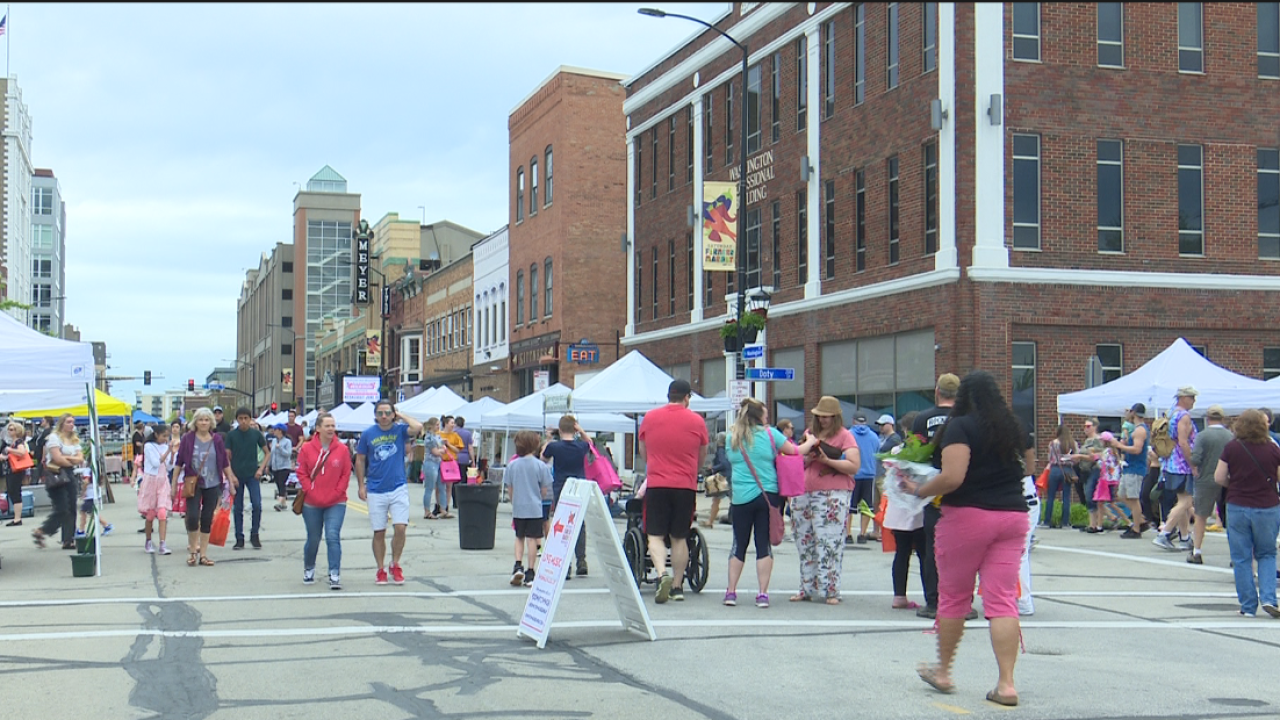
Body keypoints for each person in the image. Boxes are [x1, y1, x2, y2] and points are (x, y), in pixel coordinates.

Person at [902, 371, 1034, 706]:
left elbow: (952, 478)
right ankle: (1006, 684)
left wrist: (918, 489)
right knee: (1002, 598)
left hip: (968, 516)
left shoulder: (960, 426)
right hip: (1013, 516)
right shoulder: (1014, 427)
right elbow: (1030, 467)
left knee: (954, 598)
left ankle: (943, 671)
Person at [637, 379, 709, 604]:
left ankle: (661, 574)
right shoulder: (697, 421)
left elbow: (643, 451)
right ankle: (678, 586)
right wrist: (691, 470)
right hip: (684, 485)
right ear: (687, 397)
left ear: (669, 395)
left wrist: (657, 467)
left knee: (655, 535)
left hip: (658, 483)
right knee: (680, 537)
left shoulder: (650, 417)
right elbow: (702, 454)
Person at [724, 398, 798, 608]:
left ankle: (731, 592)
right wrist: (810, 443)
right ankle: (762, 594)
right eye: (765, 414)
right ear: (759, 417)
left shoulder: (733, 437)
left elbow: (730, 460)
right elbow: (794, 452)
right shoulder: (771, 434)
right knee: (763, 544)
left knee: (739, 543)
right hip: (768, 496)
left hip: (740, 497)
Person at [1213, 409, 1280, 617]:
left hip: (1238, 504)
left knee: (1241, 557)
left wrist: (1234, 485)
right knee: (1267, 553)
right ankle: (1269, 598)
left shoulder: (1232, 447)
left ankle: (1248, 606)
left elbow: (1218, 477)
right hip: (1267, 506)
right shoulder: (1273, 449)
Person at [790, 396, 857, 605]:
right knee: (805, 540)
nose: (823, 421)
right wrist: (808, 458)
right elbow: (795, 462)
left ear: (835, 417)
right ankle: (807, 587)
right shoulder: (810, 435)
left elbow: (854, 466)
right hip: (804, 492)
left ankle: (830, 590)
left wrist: (828, 460)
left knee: (829, 541)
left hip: (832, 493)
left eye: (827, 417)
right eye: (820, 417)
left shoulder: (845, 436)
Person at [355, 399, 423, 585]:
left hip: (398, 486)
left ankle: (395, 563)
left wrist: (399, 415)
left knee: (400, 527)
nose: (383, 417)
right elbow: (360, 460)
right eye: (380, 413)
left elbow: (417, 426)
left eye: (387, 413)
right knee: (379, 532)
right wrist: (361, 485)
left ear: (393, 414)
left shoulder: (400, 431)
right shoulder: (368, 434)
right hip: (376, 488)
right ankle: (380, 569)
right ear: (375, 415)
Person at [911, 372, 960, 619]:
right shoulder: (967, 418)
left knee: (932, 547)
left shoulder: (922, 419)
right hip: (962, 490)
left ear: (937, 392)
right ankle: (961, 602)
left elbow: (914, 454)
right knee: (962, 550)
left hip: (933, 491)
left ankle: (933, 602)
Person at [297, 412, 352, 590]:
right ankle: (309, 568)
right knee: (313, 538)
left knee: (332, 536)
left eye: (333, 425)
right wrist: (310, 490)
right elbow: (301, 472)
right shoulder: (306, 448)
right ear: (318, 428)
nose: (330, 429)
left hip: (336, 501)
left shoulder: (342, 449)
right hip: (311, 502)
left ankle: (334, 573)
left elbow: (345, 473)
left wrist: (337, 492)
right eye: (327, 426)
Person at [176, 407, 238, 567]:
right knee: (192, 516)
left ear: (211, 422)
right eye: (200, 420)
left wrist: (231, 482)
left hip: (213, 482)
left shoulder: (216, 440)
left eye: (206, 420)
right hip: (193, 483)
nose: (203, 423)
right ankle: (192, 552)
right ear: (195, 422)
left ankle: (203, 554)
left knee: (207, 517)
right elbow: (179, 462)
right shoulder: (188, 439)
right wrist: (173, 484)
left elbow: (224, 463)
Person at [541, 415, 593, 577]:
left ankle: (565, 564)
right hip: (579, 486)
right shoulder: (581, 446)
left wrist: (548, 439)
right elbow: (590, 443)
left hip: (561, 486)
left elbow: (543, 458)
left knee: (561, 524)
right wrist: (581, 430)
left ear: (560, 429)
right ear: (574, 428)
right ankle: (581, 560)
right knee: (579, 523)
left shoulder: (554, 447)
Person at [1184, 404, 1233, 563]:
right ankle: (1235, 555)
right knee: (1230, 519)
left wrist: (1193, 463)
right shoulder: (1230, 436)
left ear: (1208, 418)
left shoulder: (1203, 436)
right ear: (1222, 418)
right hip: (1227, 479)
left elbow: (1196, 458)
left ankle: (1197, 551)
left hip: (1205, 478)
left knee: (1201, 516)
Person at [505, 430, 554, 587]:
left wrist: (514, 501)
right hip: (535, 507)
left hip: (519, 506)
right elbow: (545, 489)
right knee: (532, 539)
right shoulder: (541, 466)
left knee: (519, 536)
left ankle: (517, 565)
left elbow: (510, 488)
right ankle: (530, 571)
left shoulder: (512, 465)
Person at [1153, 387, 1199, 551]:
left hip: (1169, 462)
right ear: (1183, 398)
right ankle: (1164, 533)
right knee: (1186, 501)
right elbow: (1183, 442)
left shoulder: (1170, 413)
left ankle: (1185, 537)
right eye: (1192, 397)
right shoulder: (1183, 416)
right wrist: (1192, 464)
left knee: (1182, 500)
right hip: (1182, 465)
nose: (1194, 401)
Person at [33, 413, 86, 550]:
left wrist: (69, 458)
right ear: (62, 423)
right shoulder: (53, 438)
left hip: (69, 473)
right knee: (62, 508)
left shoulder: (74, 439)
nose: (71, 424)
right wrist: (71, 459)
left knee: (72, 507)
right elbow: (57, 458)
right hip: (56, 474)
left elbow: (80, 457)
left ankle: (68, 539)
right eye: (68, 422)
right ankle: (43, 530)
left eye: (72, 422)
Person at [224, 407, 270, 550]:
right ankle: (239, 537)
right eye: (240, 418)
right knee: (238, 508)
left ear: (250, 419)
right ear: (237, 420)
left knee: (256, 504)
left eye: (246, 418)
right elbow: (226, 457)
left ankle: (255, 534)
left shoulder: (256, 434)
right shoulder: (231, 435)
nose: (243, 421)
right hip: (237, 475)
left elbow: (267, 452)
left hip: (252, 474)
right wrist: (231, 475)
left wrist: (261, 469)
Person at [1111, 403, 1150, 538]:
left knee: (1133, 498)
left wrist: (1119, 445)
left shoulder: (1140, 430)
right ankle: (1141, 520)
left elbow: (1137, 449)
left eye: (1129, 411)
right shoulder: (1134, 429)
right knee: (1122, 495)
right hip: (1129, 467)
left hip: (1135, 468)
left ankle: (1136, 529)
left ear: (1134, 413)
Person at [137, 425, 175, 554]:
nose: (165, 439)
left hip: (163, 480)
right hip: (151, 480)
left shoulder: (165, 447)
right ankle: (148, 540)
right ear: (156, 435)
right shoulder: (148, 447)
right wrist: (168, 451)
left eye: (167, 436)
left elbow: (169, 466)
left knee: (162, 512)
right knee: (151, 514)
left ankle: (162, 543)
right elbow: (155, 463)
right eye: (163, 436)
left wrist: (172, 454)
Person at [848, 413, 883, 544]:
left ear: (853, 421)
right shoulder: (874, 437)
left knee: (849, 507)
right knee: (867, 506)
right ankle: (862, 534)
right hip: (869, 474)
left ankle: (848, 534)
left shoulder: (848, 435)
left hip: (852, 473)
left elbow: (843, 454)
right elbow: (878, 454)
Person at [1042, 424, 1078, 529]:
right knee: (1066, 497)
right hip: (1067, 470)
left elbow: (1050, 457)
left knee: (1051, 496)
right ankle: (1065, 522)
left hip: (1055, 469)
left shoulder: (1053, 443)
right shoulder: (1073, 444)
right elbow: (1076, 459)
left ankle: (1047, 521)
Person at [2, 421, 31, 526]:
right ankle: (16, 517)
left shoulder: (18, 442)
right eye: (9, 429)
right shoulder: (13, 442)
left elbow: (22, 452)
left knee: (15, 492)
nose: (9, 432)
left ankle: (17, 518)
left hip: (16, 471)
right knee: (12, 492)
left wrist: (9, 451)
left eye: (12, 429)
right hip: (12, 470)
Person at [700, 432, 732, 529]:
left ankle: (710, 521)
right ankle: (710, 521)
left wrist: (713, 468)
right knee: (733, 500)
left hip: (722, 478)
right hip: (729, 476)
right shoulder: (729, 450)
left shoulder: (720, 450)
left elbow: (723, 464)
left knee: (716, 500)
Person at [420, 418, 446, 519]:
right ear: (431, 426)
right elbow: (436, 452)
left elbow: (442, 448)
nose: (438, 427)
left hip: (438, 462)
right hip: (430, 463)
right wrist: (441, 450)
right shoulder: (429, 437)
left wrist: (441, 449)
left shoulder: (437, 436)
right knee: (429, 488)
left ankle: (443, 509)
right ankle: (427, 511)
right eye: (436, 425)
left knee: (441, 486)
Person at [268, 424, 294, 512]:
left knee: (282, 483)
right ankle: (283, 503)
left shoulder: (287, 442)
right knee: (278, 484)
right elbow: (271, 454)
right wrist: (269, 465)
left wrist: (280, 448)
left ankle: (279, 503)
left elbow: (288, 454)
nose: (274, 431)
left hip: (284, 466)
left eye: (275, 429)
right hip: (275, 466)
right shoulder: (274, 441)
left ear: (280, 431)